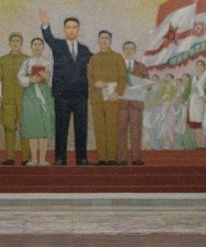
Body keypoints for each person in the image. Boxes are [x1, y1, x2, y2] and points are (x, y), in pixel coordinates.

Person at [40, 11, 92, 165]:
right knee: (61, 127)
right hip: (62, 95)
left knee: (81, 128)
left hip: (81, 95)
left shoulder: (84, 49)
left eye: (74, 27)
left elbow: (96, 63)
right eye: (68, 27)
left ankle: (81, 158)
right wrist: (45, 25)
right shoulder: (58, 45)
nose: (71, 29)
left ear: (78, 29)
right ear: (64, 29)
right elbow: (48, 37)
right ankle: (60, 158)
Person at [87, 30, 127, 165]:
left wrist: (118, 92)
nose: (104, 40)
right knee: (99, 127)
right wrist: (94, 83)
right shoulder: (94, 58)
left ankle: (111, 157)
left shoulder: (118, 57)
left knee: (111, 126)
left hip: (112, 97)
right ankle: (101, 157)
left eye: (107, 38)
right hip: (97, 97)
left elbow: (123, 78)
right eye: (101, 38)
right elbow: (88, 77)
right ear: (98, 40)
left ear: (111, 40)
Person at [0, 33, 31, 165]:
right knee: (9, 128)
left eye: (18, 41)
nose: (15, 43)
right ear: (9, 43)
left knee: (25, 128)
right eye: (13, 41)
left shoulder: (28, 59)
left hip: (24, 101)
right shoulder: (3, 60)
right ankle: (10, 157)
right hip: (8, 100)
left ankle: (26, 158)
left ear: (21, 43)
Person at [18, 38, 55, 165]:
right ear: (31, 47)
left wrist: (47, 77)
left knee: (44, 126)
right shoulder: (27, 62)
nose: (37, 47)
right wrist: (30, 80)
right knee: (33, 125)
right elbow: (20, 77)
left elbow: (53, 80)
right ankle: (34, 159)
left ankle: (43, 159)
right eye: (35, 44)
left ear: (43, 47)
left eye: (40, 44)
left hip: (45, 95)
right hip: (30, 95)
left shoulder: (47, 62)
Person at [117, 41, 149, 165]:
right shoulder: (117, 66)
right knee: (121, 131)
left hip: (136, 105)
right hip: (122, 105)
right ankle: (121, 158)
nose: (129, 51)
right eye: (126, 48)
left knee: (136, 132)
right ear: (123, 51)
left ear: (135, 51)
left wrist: (141, 84)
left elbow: (148, 85)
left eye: (131, 48)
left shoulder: (142, 67)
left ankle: (136, 158)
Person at [187, 60, 206, 149]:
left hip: (203, 102)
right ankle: (199, 144)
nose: (199, 67)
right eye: (197, 65)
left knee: (203, 124)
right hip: (194, 103)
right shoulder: (194, 77)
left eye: (200, 65)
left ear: (204, 66)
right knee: (196, 124)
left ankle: (204, 144)